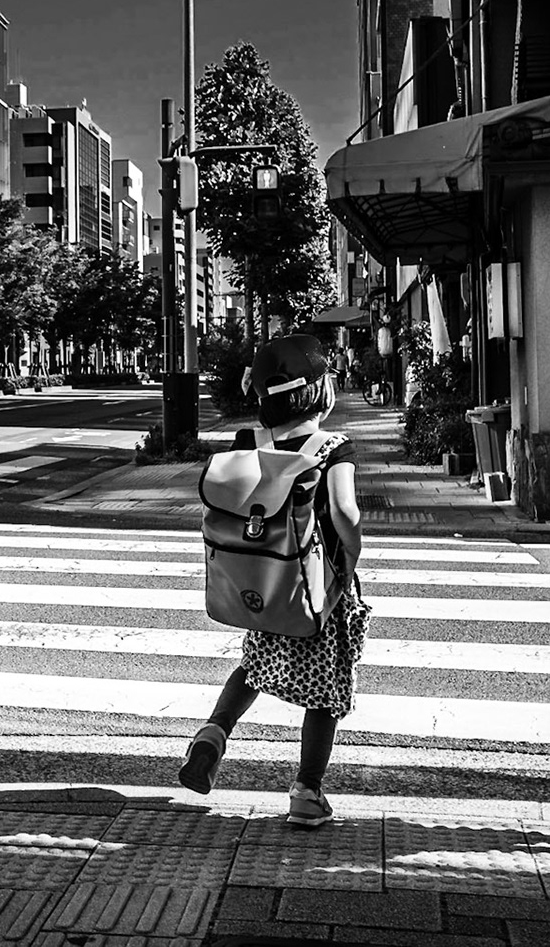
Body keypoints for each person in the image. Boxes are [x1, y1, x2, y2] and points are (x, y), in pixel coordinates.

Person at [177, 333, 368, 827]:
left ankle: (214, 733)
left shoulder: (248, 444)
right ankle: (307, 791)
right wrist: (353, 551)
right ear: (319, 391)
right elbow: (344, 511)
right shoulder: (332, 448)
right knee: (325, 690)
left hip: (263, 582)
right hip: (315, 587)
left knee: (255, 664)